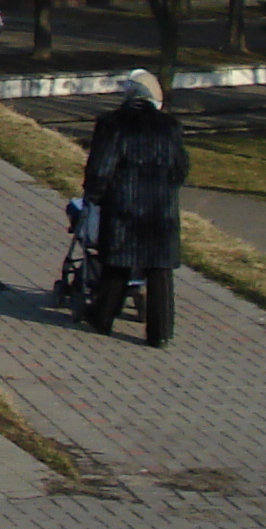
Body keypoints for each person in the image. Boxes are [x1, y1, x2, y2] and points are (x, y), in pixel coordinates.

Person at [81, 75, 188, 346]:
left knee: (117, 262)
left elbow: (101, 167)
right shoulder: (171, 126)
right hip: (161, 208)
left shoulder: (112, 124)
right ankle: (160, 333)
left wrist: (94, 195)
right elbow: (180, 168)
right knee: (160, 269)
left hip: (123, 205)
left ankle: (102, 317)